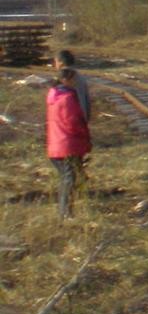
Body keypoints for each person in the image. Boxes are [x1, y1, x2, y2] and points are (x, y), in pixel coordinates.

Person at [46, 67, 91, 218]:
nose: (76, 82)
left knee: (67, 178)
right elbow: (74, 122)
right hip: (68, 144)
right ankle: (65, 213)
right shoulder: (68, 98)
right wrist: (85, 137)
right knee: (69, 178)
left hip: (55, 143)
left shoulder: (53, 96)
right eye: (74, 79)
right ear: (66, 80)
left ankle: (65, 212)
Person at [54, 49, 91, 123]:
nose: (55, 64)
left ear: (61, 62)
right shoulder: (81, 77)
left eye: (56, 61)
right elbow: (87, 100)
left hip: (68, 120)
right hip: (81, 118)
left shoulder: (63, 77)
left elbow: (56, 101)